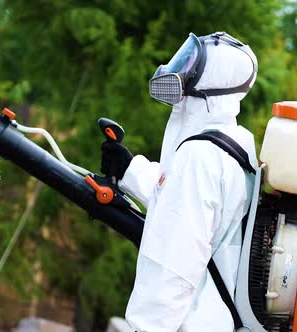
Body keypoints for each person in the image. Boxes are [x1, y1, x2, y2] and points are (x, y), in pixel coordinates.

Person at [101, 32, 258, 332]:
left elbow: (174, 262)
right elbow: (187, 206)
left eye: (190, 63)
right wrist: (130, 169)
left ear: (211, 78)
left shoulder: (200, 157)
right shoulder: (232, 147)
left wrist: (146, 329)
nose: (177, 69)